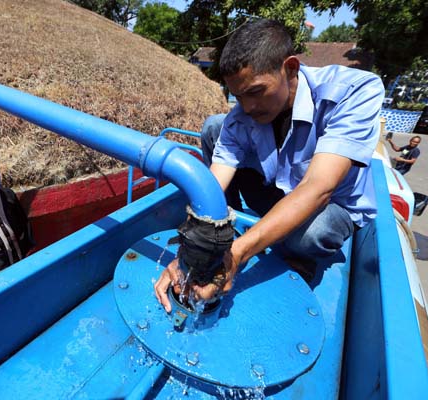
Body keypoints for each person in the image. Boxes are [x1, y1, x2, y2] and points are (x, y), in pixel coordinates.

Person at [155, 19, 384, 312]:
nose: (247, 106)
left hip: (331, 204)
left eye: (255, 91)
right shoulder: (243, 114)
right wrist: (191, 253)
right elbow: (213, 184)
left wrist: (237, 254)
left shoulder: (352, 92)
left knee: (310, 235)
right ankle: (225, 232)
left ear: (290, 69)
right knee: (216, 125)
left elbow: (318, 188)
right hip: (277, 189)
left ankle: (296, 257)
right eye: (237, 96)